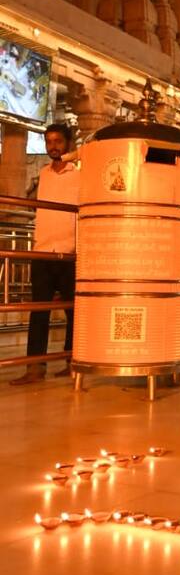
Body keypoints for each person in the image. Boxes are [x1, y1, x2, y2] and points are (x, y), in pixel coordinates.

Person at [11, 124, 80, 384]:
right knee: (38, 310)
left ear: (68, 143)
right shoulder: (44, 173)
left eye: (58, 141)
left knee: (73, 311)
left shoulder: (80, 175)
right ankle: (34, 367)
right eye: (49, 141)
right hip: (42, 251)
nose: (53, 146)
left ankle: (71, 361)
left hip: (69, 252)